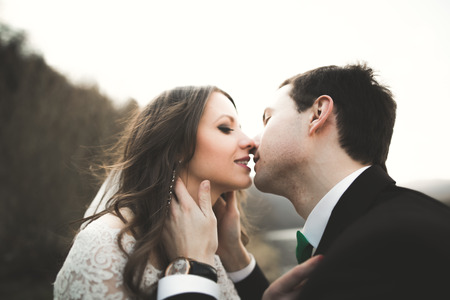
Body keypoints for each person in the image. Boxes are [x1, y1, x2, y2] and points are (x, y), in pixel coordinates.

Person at [159, 63, 450, 299]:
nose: (252, 141)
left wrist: (191, 271)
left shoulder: (390, 245)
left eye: (267, 119)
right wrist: (235, 256)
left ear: (318, 114)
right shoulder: (383, 226)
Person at [53, 85, 269, 299]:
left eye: (239, 127)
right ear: (178, 147)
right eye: (225, 128)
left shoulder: (213, 244)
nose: (249, 141)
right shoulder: (103, 248)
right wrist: (193, 268)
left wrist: (234, 252)